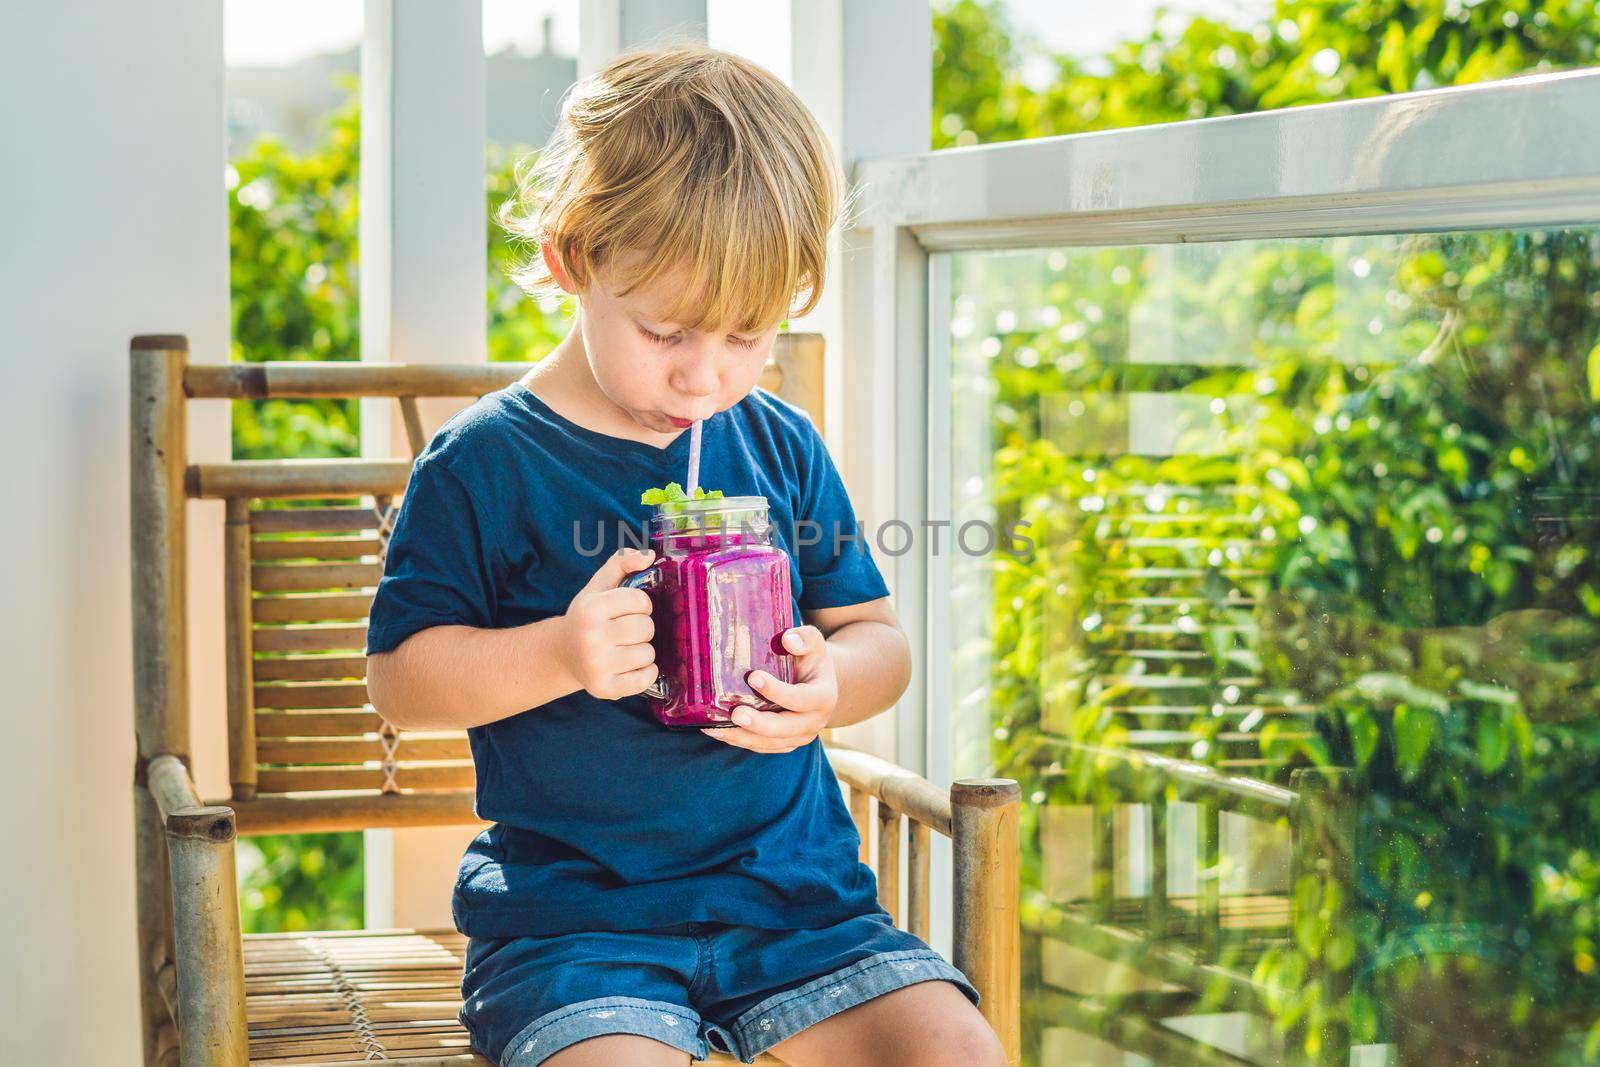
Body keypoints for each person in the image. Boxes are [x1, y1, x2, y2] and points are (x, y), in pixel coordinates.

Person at [365, 45, 1006, 1067]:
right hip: (577, 932)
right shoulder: (482, 463)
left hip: (800, 911)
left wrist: (829, 683)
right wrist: (558, 654)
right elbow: (400, 680)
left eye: (748, 338)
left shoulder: (780, 443)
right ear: (575, 255)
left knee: (957, 1052)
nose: (706, 379)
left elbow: (877, 636)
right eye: (665, 332)